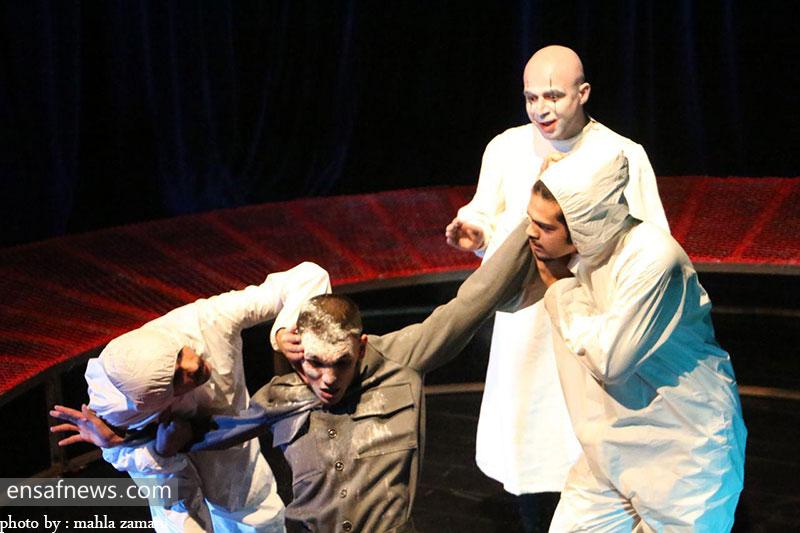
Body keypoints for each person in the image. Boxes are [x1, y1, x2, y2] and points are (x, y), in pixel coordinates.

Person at [53, 220, 538, 532]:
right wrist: (123, 444)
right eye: (313, 365)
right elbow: (203, 435)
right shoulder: (278, 396)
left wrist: (534, 220)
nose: (325, 379)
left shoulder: (397, 359)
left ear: (360, 348)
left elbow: (471, 303)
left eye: (339, 363)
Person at [444, 44, 669, 530]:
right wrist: (475, 230)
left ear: (582, 93)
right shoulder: (506, 148)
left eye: (553, 96)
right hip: (528, 320)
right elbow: (486, 208)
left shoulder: (621, 154)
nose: (540, 109)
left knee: (587, 435)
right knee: (532, 434)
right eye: (531, 98)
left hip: (591, 312)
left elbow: (652, 240)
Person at [528, 145, 746, 530]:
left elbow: (609, 358)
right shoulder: (583, 252)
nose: (531, 233)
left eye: (545, 227)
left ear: (583, 225)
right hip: (612, 446)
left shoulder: (653, 259)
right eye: (531, 220)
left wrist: (561, 289)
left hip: (686, 449)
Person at [51, 262, 332, 532]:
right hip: (167, 465)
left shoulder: (209, 320)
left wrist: (286, 329)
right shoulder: (116, 399)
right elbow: (128, 457)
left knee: (258, 520)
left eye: (179, 354)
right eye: (177, 377)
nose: (192, 365)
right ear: (162, 401)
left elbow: (308, 276)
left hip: (230, 454)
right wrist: (153, 449)